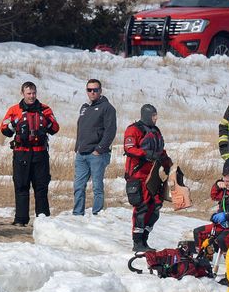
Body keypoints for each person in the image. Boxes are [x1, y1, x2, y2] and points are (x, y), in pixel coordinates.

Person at [1, 81, 59, 225]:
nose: (32, 96)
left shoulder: (45, 109)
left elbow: (55, 129)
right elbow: (4, 130)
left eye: (34, 93)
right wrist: (14, 123)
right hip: (22, 153)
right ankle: (21, 219)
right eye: (29, 93)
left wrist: (47, 121)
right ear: (22, 94)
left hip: (40, 154)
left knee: (41, 186)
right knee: (21, 186)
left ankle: (43, 218)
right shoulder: (14, 110)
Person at [123, 104, 172, 252]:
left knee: (156, 206)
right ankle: (137, 241)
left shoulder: (156, 131)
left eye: (156, 115)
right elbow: (129, 148)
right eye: (153, 115)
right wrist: (146, 154)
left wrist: (168, 163)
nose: (156, 118)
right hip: (137, 175)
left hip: (153, 175)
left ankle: (144, 238)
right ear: (146, 115)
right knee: (142, 207)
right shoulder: (133, 129)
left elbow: (160, 151)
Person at [73, 78, 116, 216]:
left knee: (97, 186)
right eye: (89, 90)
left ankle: (97, 214)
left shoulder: (107, 108)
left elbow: (110, 131)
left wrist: (99, 149)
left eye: (95, 90)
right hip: (82, 153)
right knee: (78, 186)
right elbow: (81, 128)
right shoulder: (85, 108)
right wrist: (77, 147)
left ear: (100, 91)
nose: (92, 92)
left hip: (97, 154)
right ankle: (77, 214)